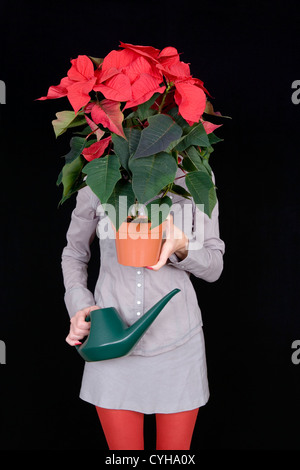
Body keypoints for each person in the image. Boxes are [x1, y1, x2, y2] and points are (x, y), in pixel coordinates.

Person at [62, 168, 225, 450]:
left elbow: (214, 266)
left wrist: (182, 247)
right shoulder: (99, 173)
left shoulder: (194, 173)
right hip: (111, 344)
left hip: (177, 344)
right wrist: (81, 307)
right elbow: (74, 254)